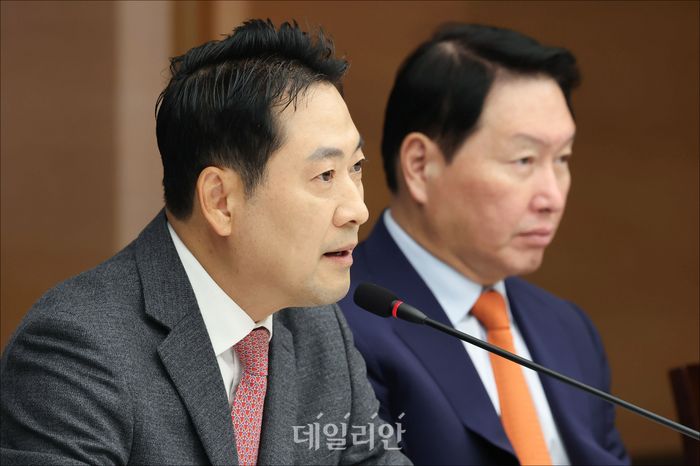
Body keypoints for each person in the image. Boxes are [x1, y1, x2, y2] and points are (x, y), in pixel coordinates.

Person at [1, 19, 411, 466]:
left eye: (356, 168)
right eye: (325, 175)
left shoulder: (318, 329)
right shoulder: (77, 350)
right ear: (220, 200)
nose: (357, 209)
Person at [338, 23, 629, 465]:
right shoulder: (338, 326)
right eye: (524, 160)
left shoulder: (569, 330)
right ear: (420, 165)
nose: (552, 197)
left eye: (562, 159)